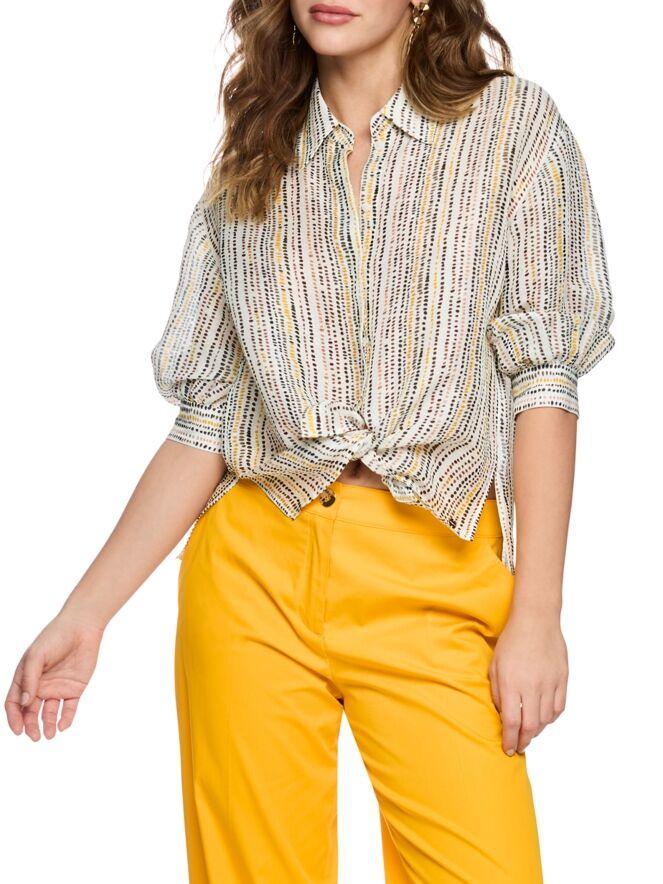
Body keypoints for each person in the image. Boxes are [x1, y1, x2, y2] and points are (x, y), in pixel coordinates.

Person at [5, 1, 616, 881]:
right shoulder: (254, 154)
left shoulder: (512, 129)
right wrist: (84, 615)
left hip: (437, 571)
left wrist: (538, 614)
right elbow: (209, 421)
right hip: (253, 579)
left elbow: (543, 380)